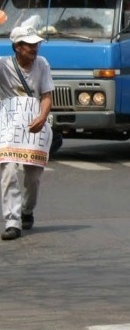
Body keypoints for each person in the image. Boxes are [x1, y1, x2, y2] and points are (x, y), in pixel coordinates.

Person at [1, 26, 54, 241]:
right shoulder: (3, 65)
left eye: (36, 44)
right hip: (8, 125)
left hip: (34, 124)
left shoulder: (42, 64)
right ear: (17, 47)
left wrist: (42, 118)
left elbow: (47, 96)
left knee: (33, 176)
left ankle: (27, 210)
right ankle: (12, 221)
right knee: (8, 171)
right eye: (29, 45)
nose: (34, 48)